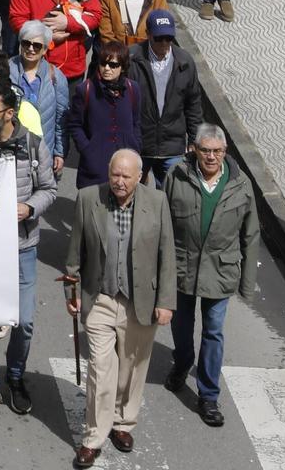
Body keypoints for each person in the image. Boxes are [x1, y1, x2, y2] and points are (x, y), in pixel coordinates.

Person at [64, 149, 177, 466]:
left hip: (140, 302)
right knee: (101, 369)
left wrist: (166, 302)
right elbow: (76, 252)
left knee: (132, 369)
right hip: (99, 297)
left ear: (139, 176)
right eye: (115, 174)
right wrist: (70, 293)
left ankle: (123, 423)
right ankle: (93, 438)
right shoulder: (89, 199)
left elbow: (168, 254)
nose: (119, 181)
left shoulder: (156, 203)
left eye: (127, 176)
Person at [0, 80, 57, 418]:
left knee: (24, 321)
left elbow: (49, 188)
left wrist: (29, 209)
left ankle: (15, 376)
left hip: (22, 246)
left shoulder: (33, 145)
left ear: (10, 113)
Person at [164, 127, 259, 428]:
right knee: (181, 326)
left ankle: (208, 396)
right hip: (182, 267)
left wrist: (246, 283)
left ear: (225, 151)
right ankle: (181, 363)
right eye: (206, 150)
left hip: (221, 270)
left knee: (213, 332)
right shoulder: (176, 177)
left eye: (217, 151)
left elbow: (251, 234)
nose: (211, 156)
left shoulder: (240, 185)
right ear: (194, 149)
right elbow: (161, 225)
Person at [130, 10, 203, 185]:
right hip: (139, 144)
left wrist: (194, 140)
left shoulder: (185, 62)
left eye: (168, 38)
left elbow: (193, 105)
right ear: (148, 35)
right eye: (159, 38)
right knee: (133, 196)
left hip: (173, 147)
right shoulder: (132, 59)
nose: (164, 43)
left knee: (175, 197)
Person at [69, 44, 143, 188]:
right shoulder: (85, 89)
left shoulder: (133, 88)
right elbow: (74, 124)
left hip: (126, 164)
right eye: (103, 63)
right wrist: (87, 149)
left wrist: (136, 145)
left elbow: (136, 122)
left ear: (123, 66)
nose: (107, 68)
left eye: (113, 65)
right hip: (95, 167)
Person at [9, 22, 69, 172]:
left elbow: (62, 120)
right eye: (26, 43)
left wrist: (59, 153)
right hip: (9, 150)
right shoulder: (6, 70)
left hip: (42, 153)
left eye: (36, 45)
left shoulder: (56, 77)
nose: (30, 49)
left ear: (45, 49)